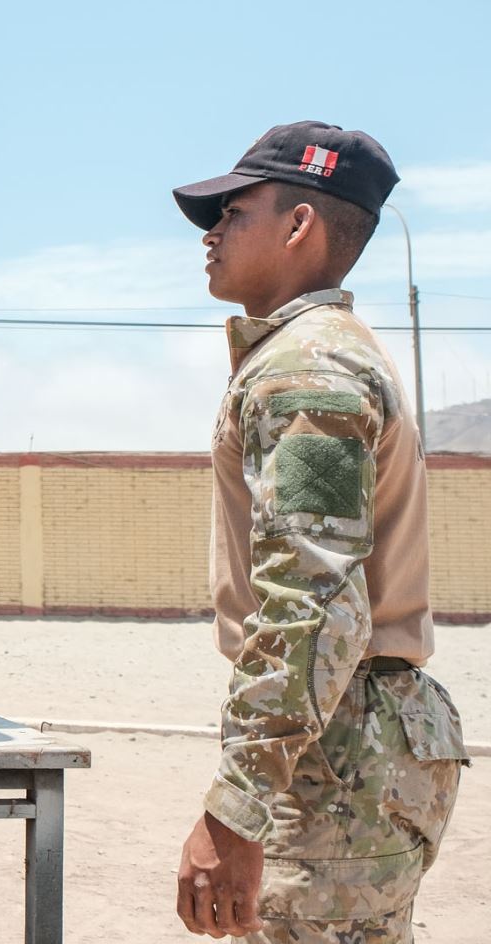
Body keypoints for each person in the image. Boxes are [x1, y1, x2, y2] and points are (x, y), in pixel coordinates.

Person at [170, 122, 468, 942]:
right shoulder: (320, 356)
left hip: (336, 756)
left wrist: (235, 810)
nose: (212, 233)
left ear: (299, 226)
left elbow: (312, 599)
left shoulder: (307, 371)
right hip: (359, 740)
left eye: (232, 212)